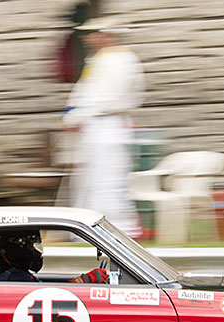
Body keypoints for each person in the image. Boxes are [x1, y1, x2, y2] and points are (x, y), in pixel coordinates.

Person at [62, 17, 144, 238]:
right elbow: (86, 92)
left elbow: (108, 99)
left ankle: (117, 232)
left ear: (106, 35)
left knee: (107, 181)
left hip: (108, 125)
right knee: (87, 181)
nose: (87, 38)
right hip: (93, 127)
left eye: (92, 33)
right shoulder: (100, 59)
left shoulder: (123, 60)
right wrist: (73, 114)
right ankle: (84, 231)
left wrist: (79, 115)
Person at [0, 229, 108, 283]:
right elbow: (52, 297)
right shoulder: (17, 278)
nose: (35, 251)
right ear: (18, 248)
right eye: (30, 246)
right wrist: (86, 280)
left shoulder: (13, 274)